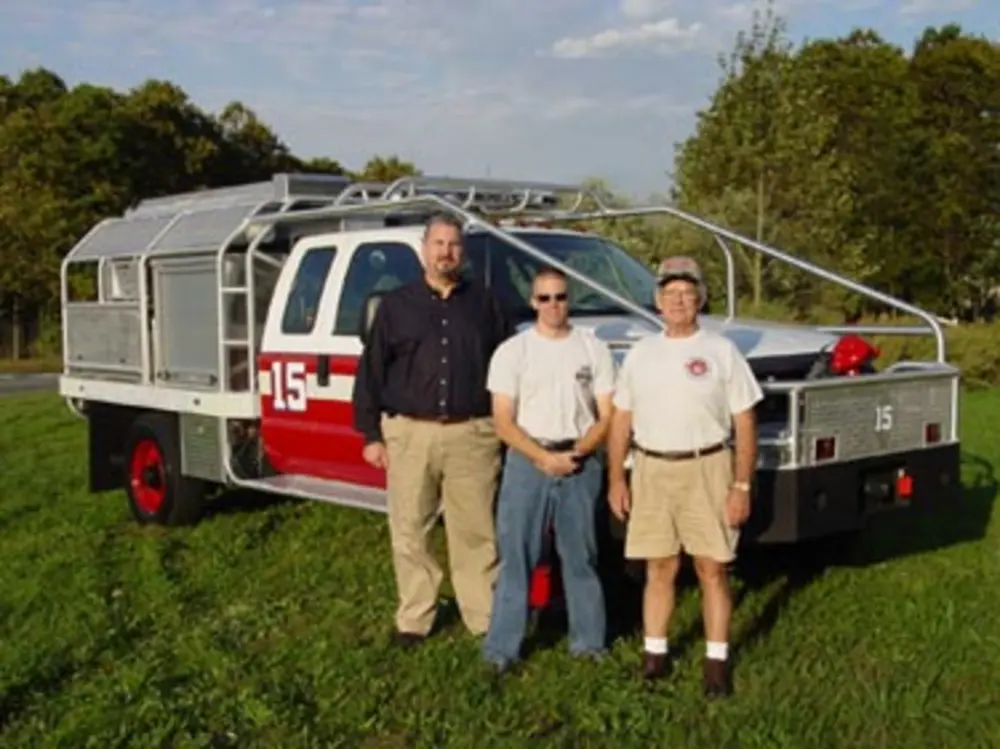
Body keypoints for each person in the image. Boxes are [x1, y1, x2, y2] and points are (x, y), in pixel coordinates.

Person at [352, 211, 515, 646]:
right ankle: (415, 619)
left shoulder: (487, 304)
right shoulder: (395, 306)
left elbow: (510, 368)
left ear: (464, 252)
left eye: (454, 244)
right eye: (439, 244)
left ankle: (483, 618)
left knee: (476, 532)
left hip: (473, 434)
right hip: (410, 434)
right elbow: (371, 371)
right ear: (424, 249)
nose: (446, 252)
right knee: (410, 530)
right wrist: (371, 434)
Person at [606, 255, 762, 698]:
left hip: (707, 466)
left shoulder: (721, 351)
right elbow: (621, 419)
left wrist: (741, 485)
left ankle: (716, 663)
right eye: (670, 294)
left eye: (687, 293)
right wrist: (616, 478)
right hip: (652, 468)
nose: (678, 301)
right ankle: (655, 657)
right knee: (659, 566)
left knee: (712, 567)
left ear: (700, 300)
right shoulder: (641, 354)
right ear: (657, 302)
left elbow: (745, 421)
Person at [481, 267, 615, 672]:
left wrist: (577, 452)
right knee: (516, 557)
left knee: (581, 557)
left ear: (569, 300)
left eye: (560, 297)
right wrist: (541, 457)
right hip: (527, 462)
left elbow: (607, 414)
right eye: (545, 298)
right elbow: (503, 420)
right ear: (532, 301)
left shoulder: (593, 349)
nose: (553, 305)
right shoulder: (513, 351)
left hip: (580, 463)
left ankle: (589, 645)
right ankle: (501, 650)